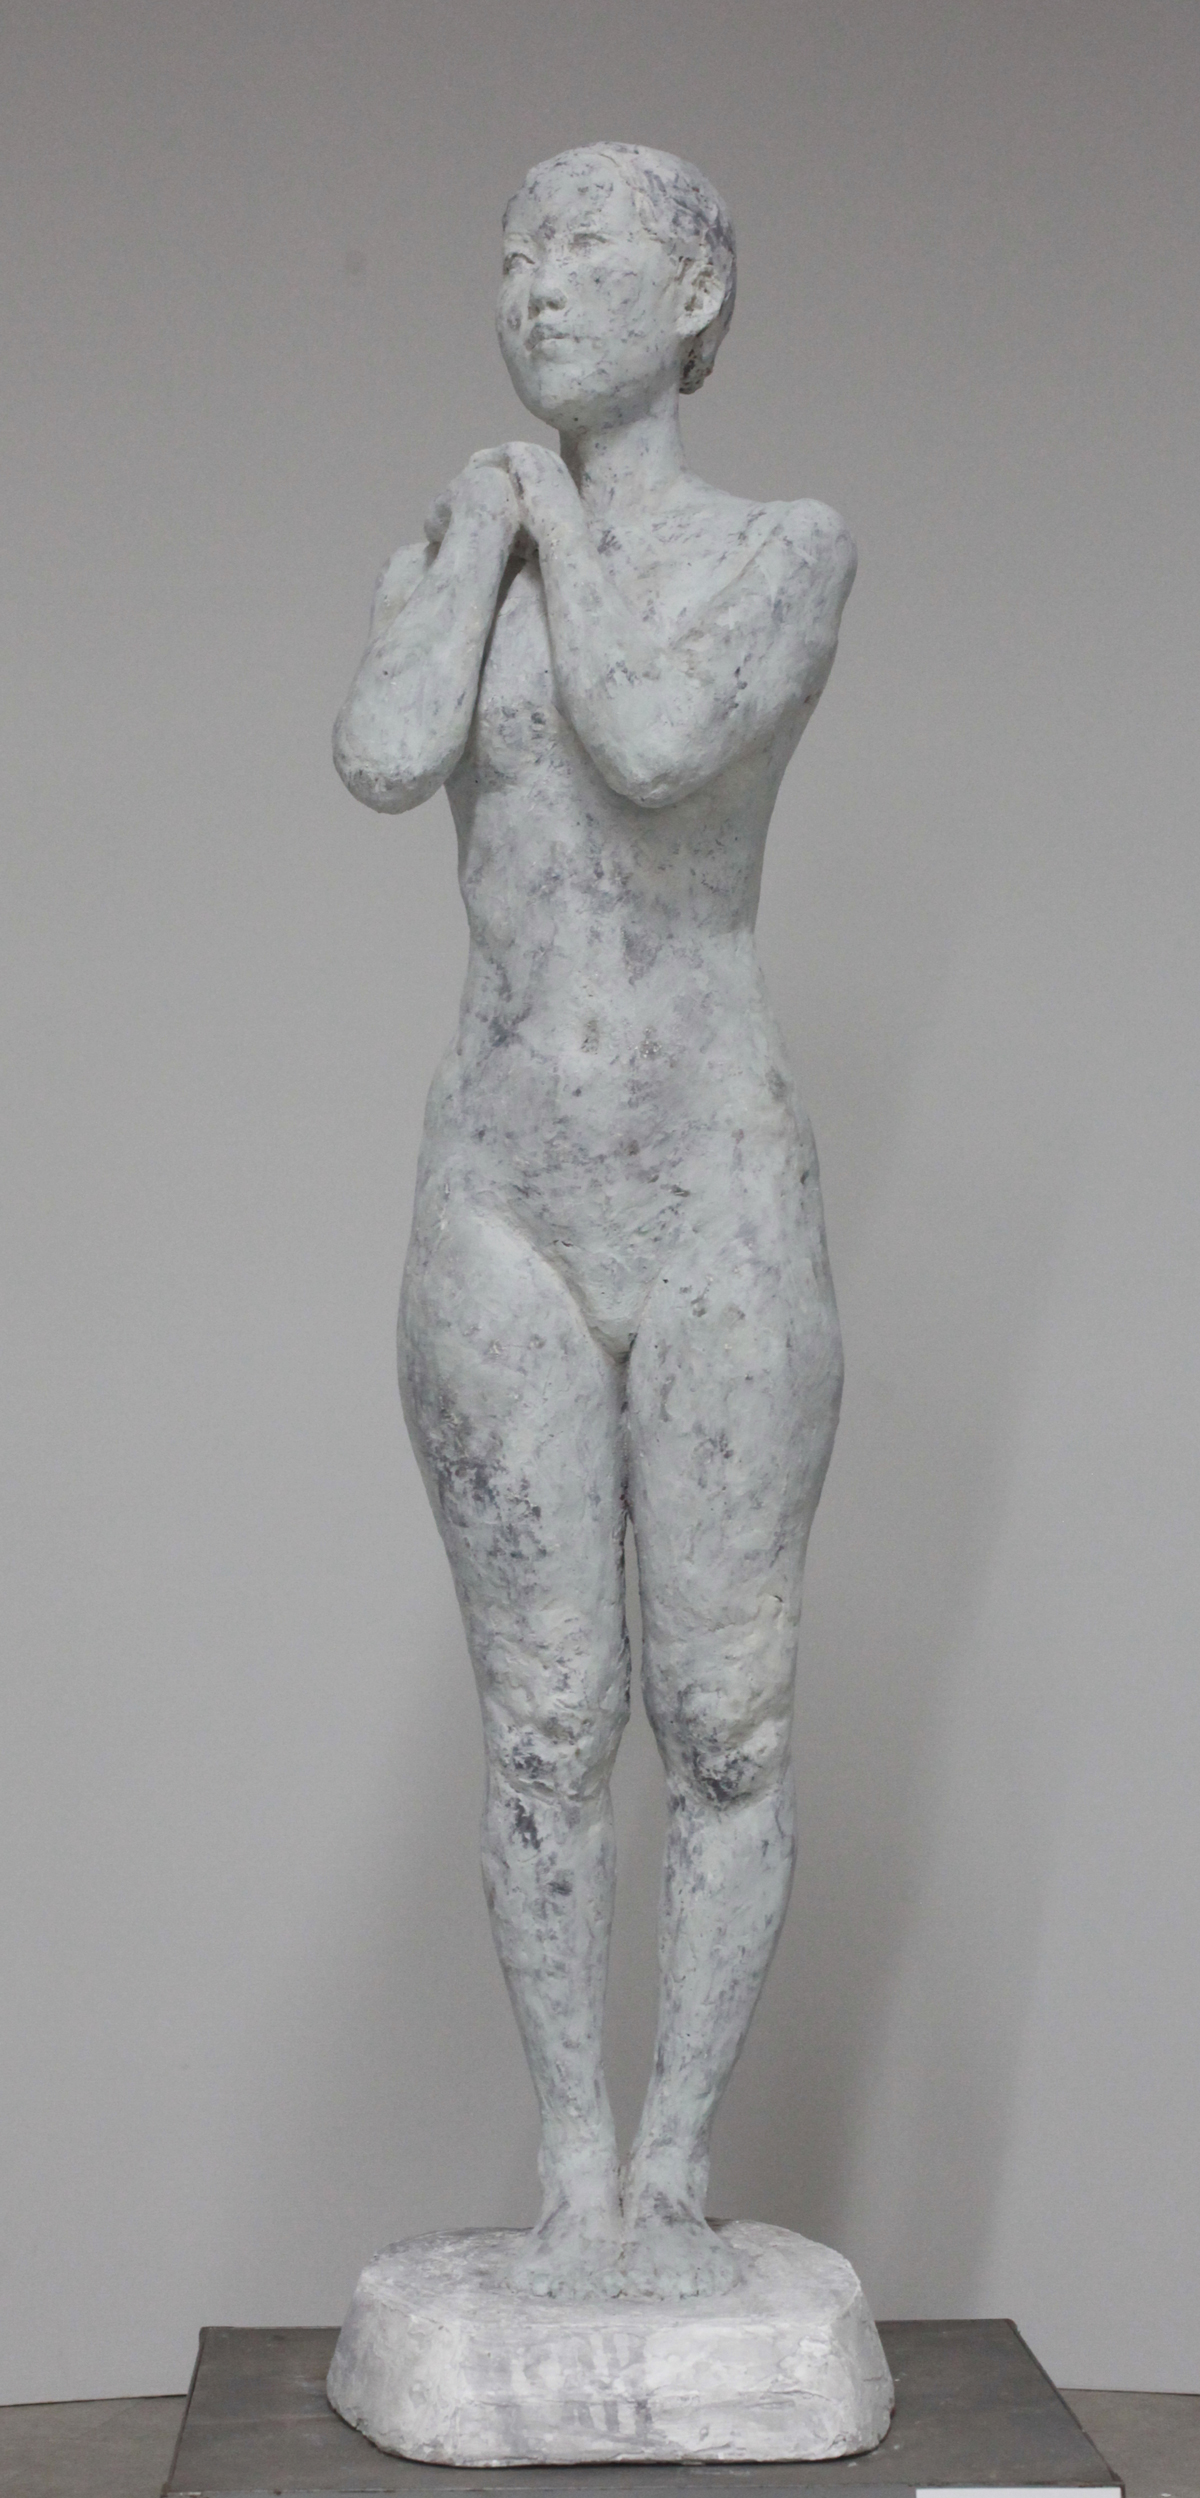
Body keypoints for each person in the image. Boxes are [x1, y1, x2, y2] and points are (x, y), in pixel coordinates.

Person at [334, 143, 856, 2301]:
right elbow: (384, 752)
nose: (534, 285)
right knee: (547, 1720)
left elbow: (647, 739)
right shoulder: (466, 543)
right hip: (506, 1192)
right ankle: (569, 2166)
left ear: (698, 296)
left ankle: (674, 2165)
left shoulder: (783, 549)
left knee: (724, 1716)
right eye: (514, 251)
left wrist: (542, 520)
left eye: (583, 249)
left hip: (714, 1186)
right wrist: (469, 554)